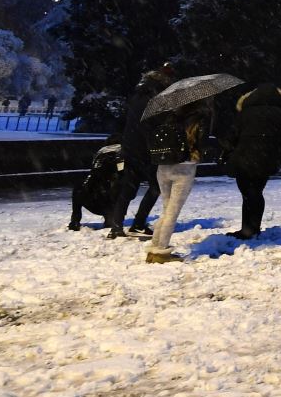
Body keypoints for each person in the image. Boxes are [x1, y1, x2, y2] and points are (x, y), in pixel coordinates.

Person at [106, 65, 173, 239]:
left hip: (129, 147)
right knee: (156, 186)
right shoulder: (156, 99)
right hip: (146, 149)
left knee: (128, 186)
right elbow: (154, 125)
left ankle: (116, 226)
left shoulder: (138, 95)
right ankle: (138, 223)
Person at [222, 84, 281, 240]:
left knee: (247, 193)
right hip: (267, 159)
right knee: (256, 192)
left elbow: (232, 136)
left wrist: (228, 151)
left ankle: (248, 228)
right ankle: (253, 227)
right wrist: (280, 158)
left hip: (243, 157)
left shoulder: (245, 114)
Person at [144, 98, 210, 264]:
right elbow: (200, 143)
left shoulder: (170, 117)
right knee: (172, 213)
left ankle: (154, 248)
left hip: (163, 166)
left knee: (166, 210)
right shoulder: (199, 119)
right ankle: (161, 252)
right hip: (184, 168)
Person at [69, 144, 124, 231]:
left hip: (83, 193)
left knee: (79, 189)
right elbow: (121, 172)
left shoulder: (101, 151)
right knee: (115, 188)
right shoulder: (119, 153)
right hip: (101, 199)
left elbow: (94, 170)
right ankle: (109, 219)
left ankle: (75, 221)